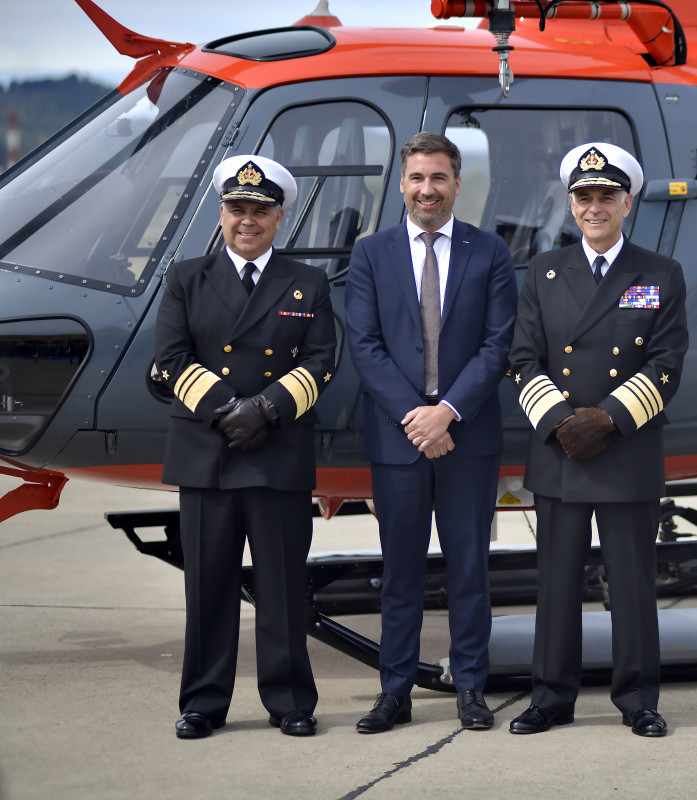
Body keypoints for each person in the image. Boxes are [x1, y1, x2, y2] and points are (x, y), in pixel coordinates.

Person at [506, 142, 688, 737]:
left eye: (606, 196)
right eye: (583, 197)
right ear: (571, 204)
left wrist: (607, 418)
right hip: (559, 450)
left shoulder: (660, 273)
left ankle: (638, 699)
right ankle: (551, 698)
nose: (594, 207)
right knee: (556, 584)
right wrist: (563, 422)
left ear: (627, 202)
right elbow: (523, 358)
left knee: (632, 583)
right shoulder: (543, 271)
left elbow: (667, 362)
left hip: (625, 447)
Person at [155, 154, 337, 738]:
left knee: (282, 586)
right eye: (237, 208)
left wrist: (266, 410)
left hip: (276, 451)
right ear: (222, 212)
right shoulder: (186, 278)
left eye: (260, 210)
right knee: (208, 586)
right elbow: (171, 358)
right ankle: (203, 704)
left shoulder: (307, 282)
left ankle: (290, 703)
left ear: (279, 217)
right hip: (208, 453)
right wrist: (228, 410)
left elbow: (321, 361)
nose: (247, 220)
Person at [345, 132, 517, 733]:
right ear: (401, 184)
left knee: (469, 569)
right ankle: (395, 691)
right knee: (401, 572)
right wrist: (417, 418)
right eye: (417, 178)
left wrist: (448, 412)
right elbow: (364, 347)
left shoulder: (489, 251)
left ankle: (471, 687)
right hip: (399, 438)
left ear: (457, 184)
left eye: (439, 178)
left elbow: (499, 345)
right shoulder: (371, 253)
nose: (427, 190)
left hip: (467, 436)